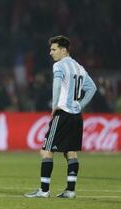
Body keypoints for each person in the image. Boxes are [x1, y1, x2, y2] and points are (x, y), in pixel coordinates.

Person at [25, 35, 96, 198]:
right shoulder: (79, 67)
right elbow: (92, 88)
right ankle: (70, 191)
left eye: (54, 49)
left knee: (46, 151)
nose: (51, 52)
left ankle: (44, 190)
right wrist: (80, 104)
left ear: (63, 50)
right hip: (76, 116)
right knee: (71, 152)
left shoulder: (59, 65)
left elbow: (57, 84)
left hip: (62, 113)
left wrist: (54, 105)